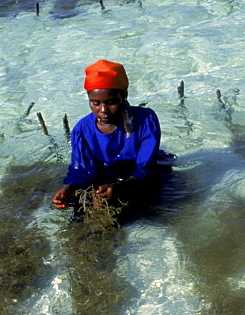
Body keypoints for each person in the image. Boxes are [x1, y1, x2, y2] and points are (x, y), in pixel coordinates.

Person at [52, 59, 162, 211]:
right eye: (95, 103)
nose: (103, 110)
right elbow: (82, 171)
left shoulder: (145, 120)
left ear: (124, 95)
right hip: (108, 179)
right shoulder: (82, 130)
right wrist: (71, 187)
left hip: (138, 180)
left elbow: (146, 168)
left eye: (111, 102)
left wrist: (122, 187)